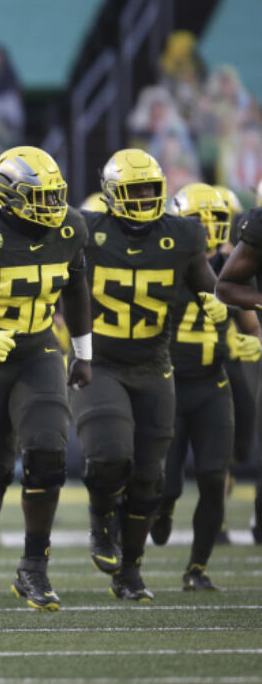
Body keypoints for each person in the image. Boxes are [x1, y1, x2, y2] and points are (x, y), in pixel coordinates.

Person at [76, 149, 226, 601]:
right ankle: (101, 516)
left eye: (149, 189)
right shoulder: (89, 230)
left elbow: (205, 280)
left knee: (149, 478)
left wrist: (217, 298)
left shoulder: (181, 234)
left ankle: (130, 571)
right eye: (133, 189)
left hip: (154, 365)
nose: (143, 197)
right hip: (100, 362)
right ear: (111, 193)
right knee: (109, 457)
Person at [0, 146, 92, 612]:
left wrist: (82, 352)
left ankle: (34, 568)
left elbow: (76, 288)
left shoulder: (70, 227)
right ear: (10, 194)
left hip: (38, 350)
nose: (52, 206)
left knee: (49, 451)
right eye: (40, 196)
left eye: (55, 195)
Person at [159, 184, 262, 590]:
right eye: (198, 222)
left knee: (214, 478)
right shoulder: (163, 263)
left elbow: (250, 326)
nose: (206, 230)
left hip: (212, 382)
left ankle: (197, 568)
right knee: (164, 484)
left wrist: (247, 341)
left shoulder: (230, 264)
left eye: (215, 222)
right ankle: (162, 507)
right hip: (168, 382)